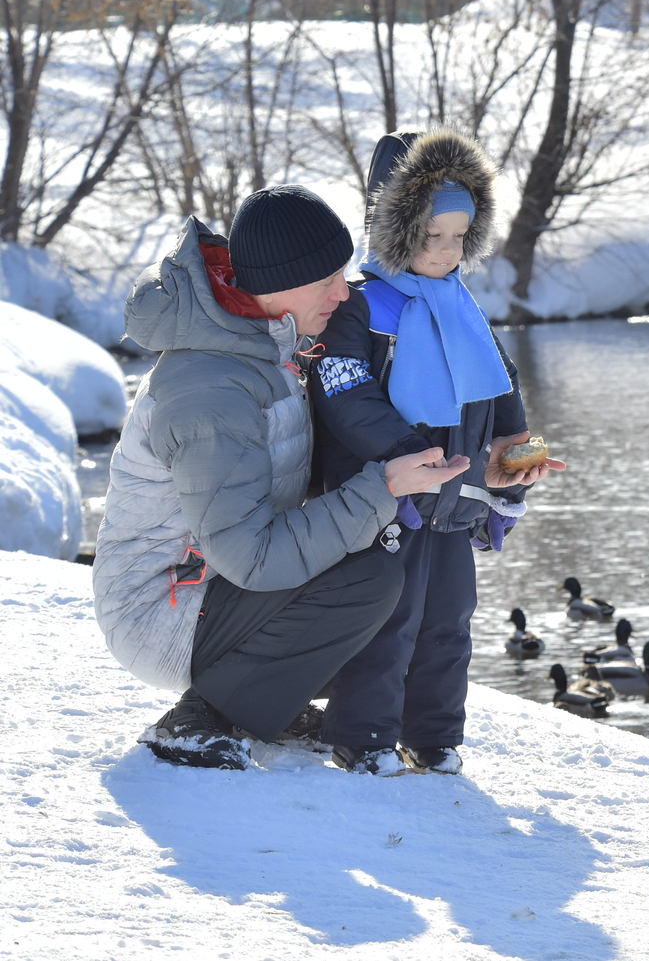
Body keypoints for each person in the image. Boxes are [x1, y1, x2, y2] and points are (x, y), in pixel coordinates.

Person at [93, 185, 469, 772]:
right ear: (280, 283)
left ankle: (264, 700)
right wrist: (382, 488)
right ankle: (199, 718)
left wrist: (481, 457)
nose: (344, 293)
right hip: (163, 608)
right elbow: (253, 557)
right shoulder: (212, 389)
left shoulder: (270, 344)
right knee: (368, 581)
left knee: (393, 568)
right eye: (328, 280)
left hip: (214, 585)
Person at [308, 128, 562, 777]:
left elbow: (503, 396)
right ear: (394, 229)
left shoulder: (464, 310)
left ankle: (435, 736)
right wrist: (407, 455)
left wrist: (519, 463)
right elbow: (346, 392)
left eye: (459, 236)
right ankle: (364, 736)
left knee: (448, 621)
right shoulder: (362, 307)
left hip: (453, 500)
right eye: (432, 235)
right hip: (386, 498)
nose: (448, 250)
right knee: (386, 620)